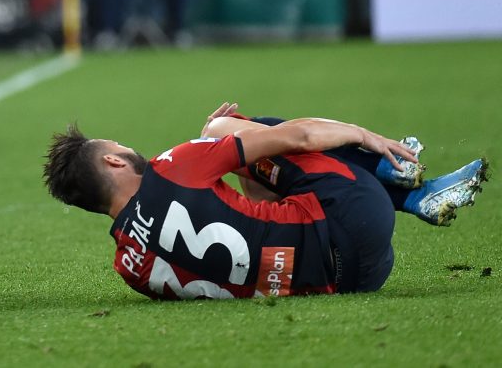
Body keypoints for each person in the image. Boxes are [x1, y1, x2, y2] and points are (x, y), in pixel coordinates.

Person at [43, 102, 489, 300]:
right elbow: (299, 137)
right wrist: (367, 136)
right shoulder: (170, 166)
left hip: (353, 280)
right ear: (113, 162)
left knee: (238, 149)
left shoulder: (130, 267)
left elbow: (250, 223)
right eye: (118, 144)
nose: (126, 146)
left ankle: (411, 196)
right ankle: (406, 188)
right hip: (356, 219)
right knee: (224, 130)